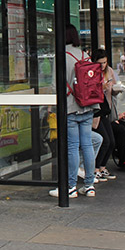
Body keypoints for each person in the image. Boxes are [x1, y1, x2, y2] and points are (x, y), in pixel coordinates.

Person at [51, 24, 98, 199]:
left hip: (71, 107)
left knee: (72, 147)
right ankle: (90, 185)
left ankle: (70, 186)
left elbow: (56, 86)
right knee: (87, 145)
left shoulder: (61, 56)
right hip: (88, 106)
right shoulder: (85, 54)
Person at [91, 48, 118, 181]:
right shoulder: (91, 73)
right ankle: (95, 168)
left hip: (106, 109)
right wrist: (101, 88)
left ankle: (102, 167)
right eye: (100, 63)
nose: (102, 65)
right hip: (96, 112)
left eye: (105, 62)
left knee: (111, 141)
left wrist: (115, 89)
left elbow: (113, 88)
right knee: (104, 140)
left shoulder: (109, 71)